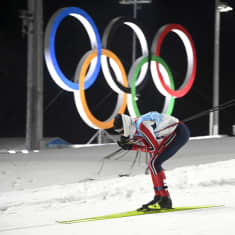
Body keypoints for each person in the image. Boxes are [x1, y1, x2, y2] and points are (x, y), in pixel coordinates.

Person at [113, 111, 190, 210]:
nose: (121, 134)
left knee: (154, 163)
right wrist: (132, 143)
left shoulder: (141, 126)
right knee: (153, 163)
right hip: (174, 131)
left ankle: (165, 199)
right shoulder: (136, 126)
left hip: (179, 132)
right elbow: (148, 145)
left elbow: (153, 148)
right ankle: (159, 197)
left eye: (121, 131)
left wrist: (133, 147)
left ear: (126, 126)